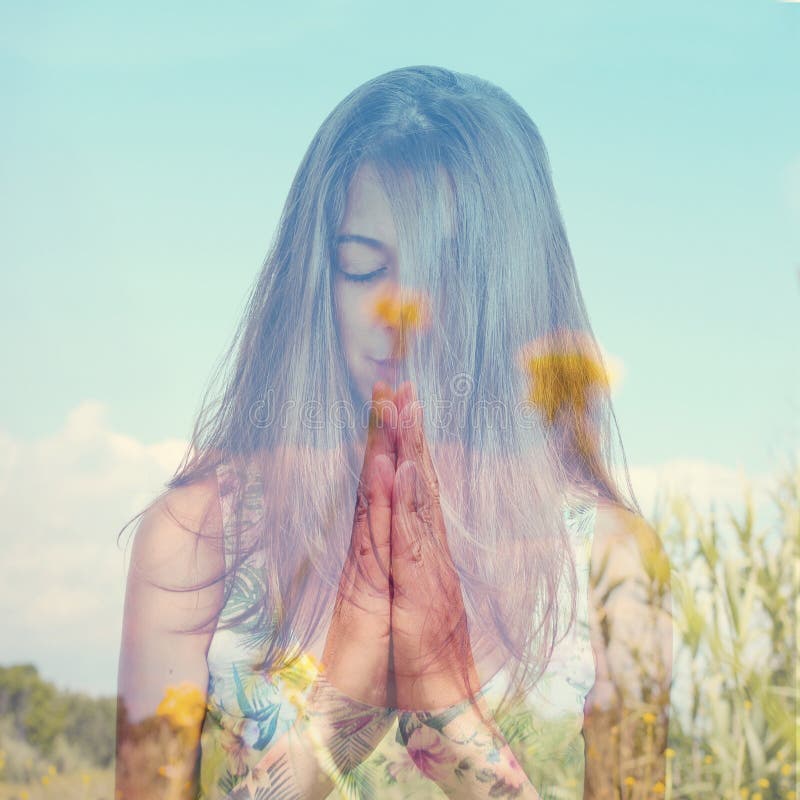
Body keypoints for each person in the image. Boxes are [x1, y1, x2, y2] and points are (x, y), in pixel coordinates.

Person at [115, 65, 673, 800]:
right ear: (316, 279)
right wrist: (336, 705)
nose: (399, 312)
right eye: (360, 267)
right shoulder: (195, 538)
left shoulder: (614, 563)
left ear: (509, 288)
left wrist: (445, 710)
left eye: (443, 272)